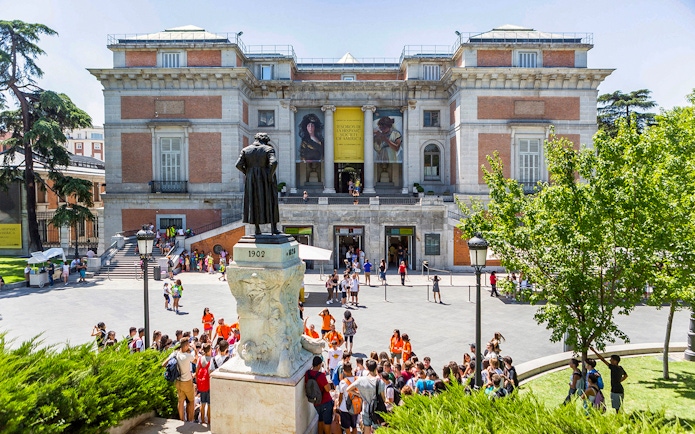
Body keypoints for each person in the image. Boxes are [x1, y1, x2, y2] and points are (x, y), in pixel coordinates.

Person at [235, 132, 280, 235]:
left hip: (251, 179)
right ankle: (274, 228)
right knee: (271, 200)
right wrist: (270, 175)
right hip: (266, 178)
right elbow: (274, 162)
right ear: (265, 140)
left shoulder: (245, 150)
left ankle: (257, 229)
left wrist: (247, 172)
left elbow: (238, 165)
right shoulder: (268, 149)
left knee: (253, 201)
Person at [344, 359, 385, 434]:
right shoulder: (380, 382)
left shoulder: (361, 380)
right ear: (376, 368)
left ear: (367, 368)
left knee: (366, 429)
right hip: (376, 409)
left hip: (365, 407)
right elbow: (383, 398)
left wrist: (359, 394)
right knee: (377, 430)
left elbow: (348, 389)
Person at [162, 339, 197, 422]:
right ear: (185, 346)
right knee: (191, 401)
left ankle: (181, 420)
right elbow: (196, 361)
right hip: (187, 381)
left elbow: (163, 364)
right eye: (188, 345)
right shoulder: (187, 356)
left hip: (178, 381)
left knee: (180, 401)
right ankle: (190, 420)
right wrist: (195, 349)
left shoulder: (175, 353)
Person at [590, 347, 628, 413]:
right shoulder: (620, 368)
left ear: (615, 361)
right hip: (620, 389)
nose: (610, 360)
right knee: (619, 406)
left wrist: (594, 351)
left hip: (615, 390)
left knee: (617, 408)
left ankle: (618, 419)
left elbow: (603, 360)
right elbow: (625, 375)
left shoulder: (613, 368)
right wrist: (619, 380)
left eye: (611, 359)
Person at [306, 355, 333, 434]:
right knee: (327, 422)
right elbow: (327, 389)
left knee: (320, 420)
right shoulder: (321, 376)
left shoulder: (307, 374)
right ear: (318, 365)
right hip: (326, 402)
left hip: (316, 402)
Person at [336, 363, 359, 434]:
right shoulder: (357, 380)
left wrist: (339, 405)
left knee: (347, 427)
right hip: (356, 406)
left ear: (344, 371)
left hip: (345, 408)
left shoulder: (343, 382)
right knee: (354, 426)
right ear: (351, 369)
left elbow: (340, 396)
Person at [197, 343, 212, 425]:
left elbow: (197, 370)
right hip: (209, 384)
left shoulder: (200, 359)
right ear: (209, 350)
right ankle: (209, 420)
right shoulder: (211, 360)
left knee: (202, 403)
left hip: (202, 384)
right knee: (209, 404)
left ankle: (202, 420)